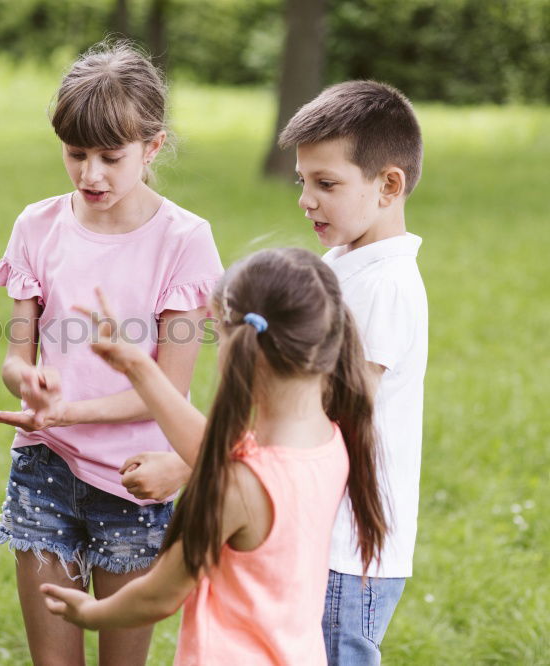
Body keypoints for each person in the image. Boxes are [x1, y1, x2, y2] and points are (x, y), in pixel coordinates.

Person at [0, 41, 223, 665]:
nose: (92, 175)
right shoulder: (37, 226)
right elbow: (16, 359)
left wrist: (67, 413)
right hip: (44, 471)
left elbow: (163, 389)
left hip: (135, 478)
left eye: (112, 158)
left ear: (153, 147)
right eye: (76, 154)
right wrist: (29, 384)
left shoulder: (184, 242)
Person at [42, 248, 387, 666]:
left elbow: (159, 595)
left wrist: (91, 612)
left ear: (239, 344)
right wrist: (138, 366)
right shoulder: (328, 440)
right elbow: (216, 453)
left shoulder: (239, 487)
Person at [279, 80, 428, 664]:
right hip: (321, 532)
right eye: (303, 182)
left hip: (351, 548)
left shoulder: (386, 286)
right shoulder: (344, 263)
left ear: (388, 185)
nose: (306, 199)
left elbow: (338, 403)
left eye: (326, 183)